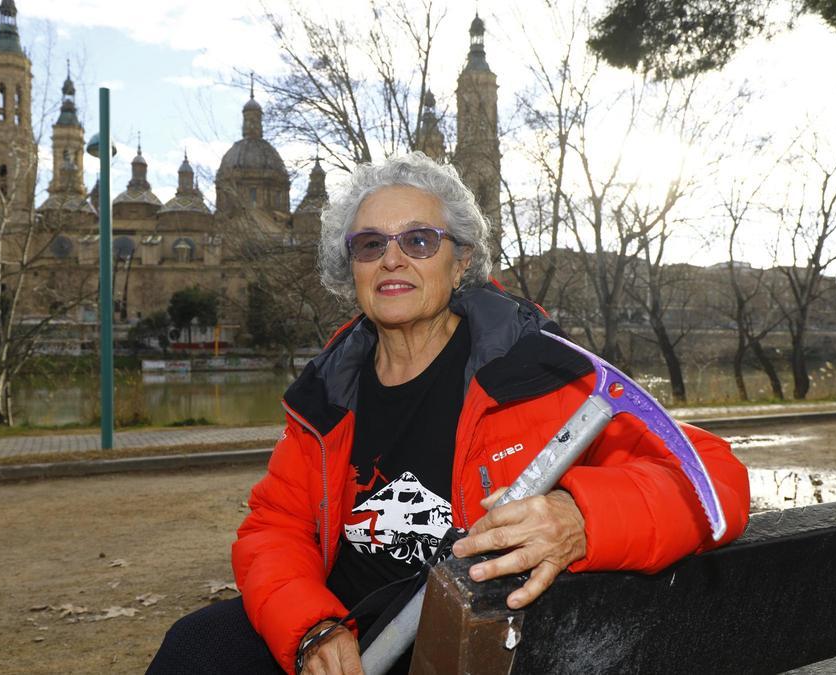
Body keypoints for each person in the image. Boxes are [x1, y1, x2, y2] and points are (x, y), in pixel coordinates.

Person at [148, 152, 750, 675]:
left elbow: (713, 478)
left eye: (418, 241)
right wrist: (311, 628)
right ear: (349, 270)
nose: (392, 259)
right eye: (370, 245)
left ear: (460, 262)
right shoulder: (326, 396)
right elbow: (273, 529)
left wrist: (581, 518)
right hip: (352, 632)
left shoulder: (533, 372)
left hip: (480, 640)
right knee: (196, 649)